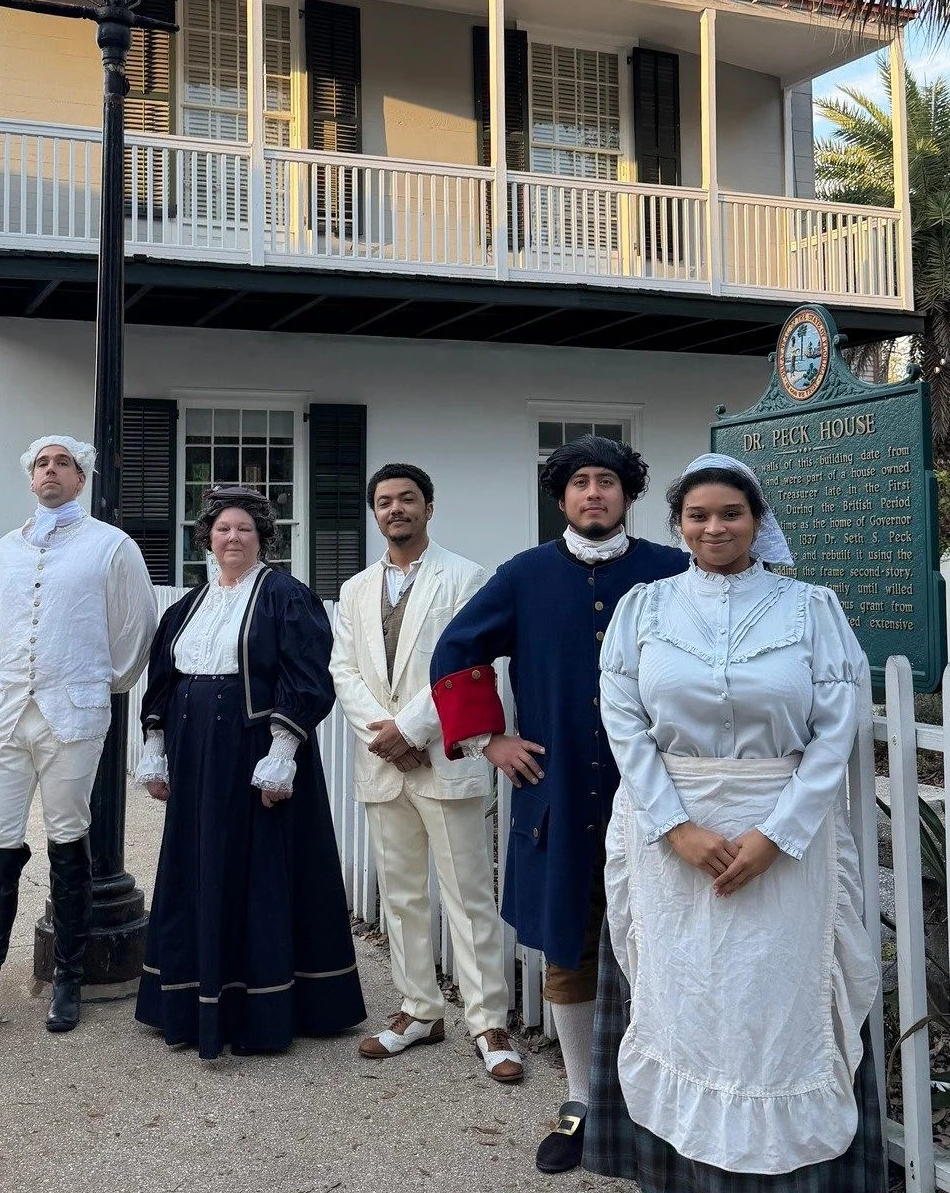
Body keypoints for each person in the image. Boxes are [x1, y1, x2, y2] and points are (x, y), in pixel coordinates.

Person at [584, 453, 882, 1191]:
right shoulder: (644, 608)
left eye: (730, 513)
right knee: (682, 993)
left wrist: (777, 836)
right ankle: (681, 1168)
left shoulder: (811, 608)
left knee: (777, 993)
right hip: (671, 832)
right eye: (698, 515)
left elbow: (835, 730)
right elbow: (624, 722)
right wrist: (675, 827)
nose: (714, 527)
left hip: (783, 830)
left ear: (757, 521)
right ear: (678, 524)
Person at [430, 435, 689, 1175]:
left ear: (629, 494)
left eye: (607, 480)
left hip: (660, 793)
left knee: (665, 944)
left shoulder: (672, 572)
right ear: (562, 497)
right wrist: (490, 740)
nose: (593, 493)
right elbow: (455, 650)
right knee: (570, 948)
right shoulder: (524, 575)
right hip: (558, 794)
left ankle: (665, 1100)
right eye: (580, 482)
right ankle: (582, 1099)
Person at [0, 434, 156, 1039]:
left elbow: (135, 630)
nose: (51, 470)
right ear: (31, 478)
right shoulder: (5, 551)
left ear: (80, 478)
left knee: (68, 839)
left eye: (62, 463)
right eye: (42, 463)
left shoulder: (111, 546)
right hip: (6, 712)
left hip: (73, 715)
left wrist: (95, 682)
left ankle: (68, 978)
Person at [134, 485, 365, 1059]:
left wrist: (281, 751)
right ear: (207, 540)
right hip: (194, 753)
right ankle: (192, 997)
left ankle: (262, 1007)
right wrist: (155, 746)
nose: (232, 537)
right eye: (222, 529)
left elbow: (307, 675)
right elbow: (163, 679)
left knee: (258, 868)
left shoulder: (286, 596)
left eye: (244, 529)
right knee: (197, 865)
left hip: (254, 751)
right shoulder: (187, 606)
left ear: (263, 538)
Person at [330, 464, 523, 1083]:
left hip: (444, 756)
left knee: (469, 896)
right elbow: (343, 670)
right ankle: (419, 1009)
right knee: (402, 894)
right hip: (383, 762)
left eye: (407, 499)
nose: (396, 509)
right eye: (385, 501)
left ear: (429, 508)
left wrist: (410, 731)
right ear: (375, 513)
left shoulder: (465, 577)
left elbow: (466, 664)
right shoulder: (356, 588)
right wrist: (384, 738)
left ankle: (488, 1021)